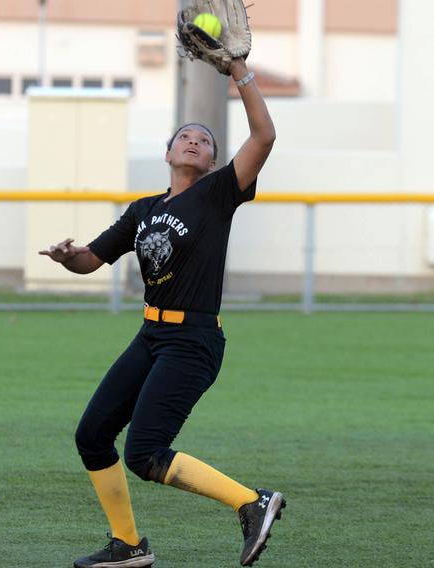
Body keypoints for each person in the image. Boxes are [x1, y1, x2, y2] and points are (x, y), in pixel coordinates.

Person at [40, 56, 283, 568]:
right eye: (185, 137)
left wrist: (239, 71)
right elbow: (91, 259)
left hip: (193, 342)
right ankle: (127, 545)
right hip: (151, 335)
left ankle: (252, 502)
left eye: (205, 141)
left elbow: (263, 137)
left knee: (144, 452)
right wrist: (69, 258)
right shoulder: (143, 210)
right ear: (168, 152)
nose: (195, 141)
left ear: (215, 162)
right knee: (92, 436)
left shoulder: (219, 195)